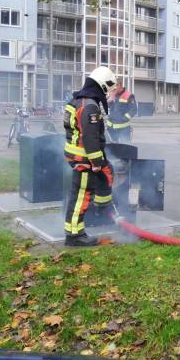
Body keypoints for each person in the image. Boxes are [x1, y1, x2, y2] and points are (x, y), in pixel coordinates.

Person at [63, 66, 119, 246]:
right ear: (103, 85)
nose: (109, 94)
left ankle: (103, 206)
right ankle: (74, 236)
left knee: (106, 173)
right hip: (84, 160)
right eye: (108, 89)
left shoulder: (80, 100)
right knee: (80, 196)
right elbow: (90, 136)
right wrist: (96, 162)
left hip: (80, 156)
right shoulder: (90, 106)